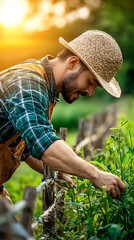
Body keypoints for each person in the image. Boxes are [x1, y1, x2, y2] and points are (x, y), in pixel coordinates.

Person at [0, 30, 125, 204]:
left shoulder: (44, 86)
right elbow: (43, 142)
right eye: (90, 82)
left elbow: (26, 148)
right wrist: (96, 175)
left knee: (13, 232)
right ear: (72, 63)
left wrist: (60, 172)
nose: (90, 92)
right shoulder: (28, 84)